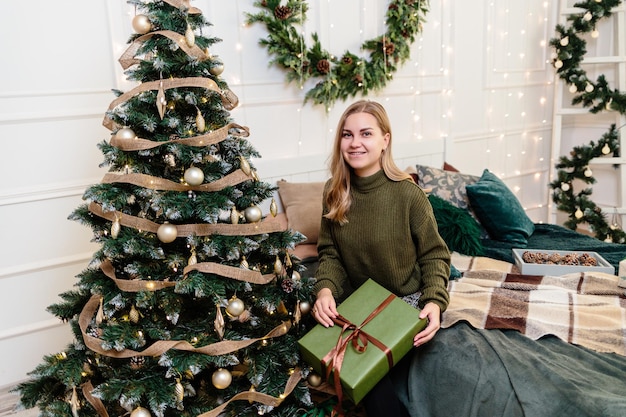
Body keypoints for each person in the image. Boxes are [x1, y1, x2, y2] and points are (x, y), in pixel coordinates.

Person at [311, 99, 451, 417]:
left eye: (366, 134)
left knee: (370, 375)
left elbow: (435, 255)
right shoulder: (334, 192)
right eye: (347, 135)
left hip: (405, 301)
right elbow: (329, 252)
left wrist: (435, 301)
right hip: (360, 306)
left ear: (385, 140)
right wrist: (324, 290)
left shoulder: (407, 194)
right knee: (348, 361)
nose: (355, 142)